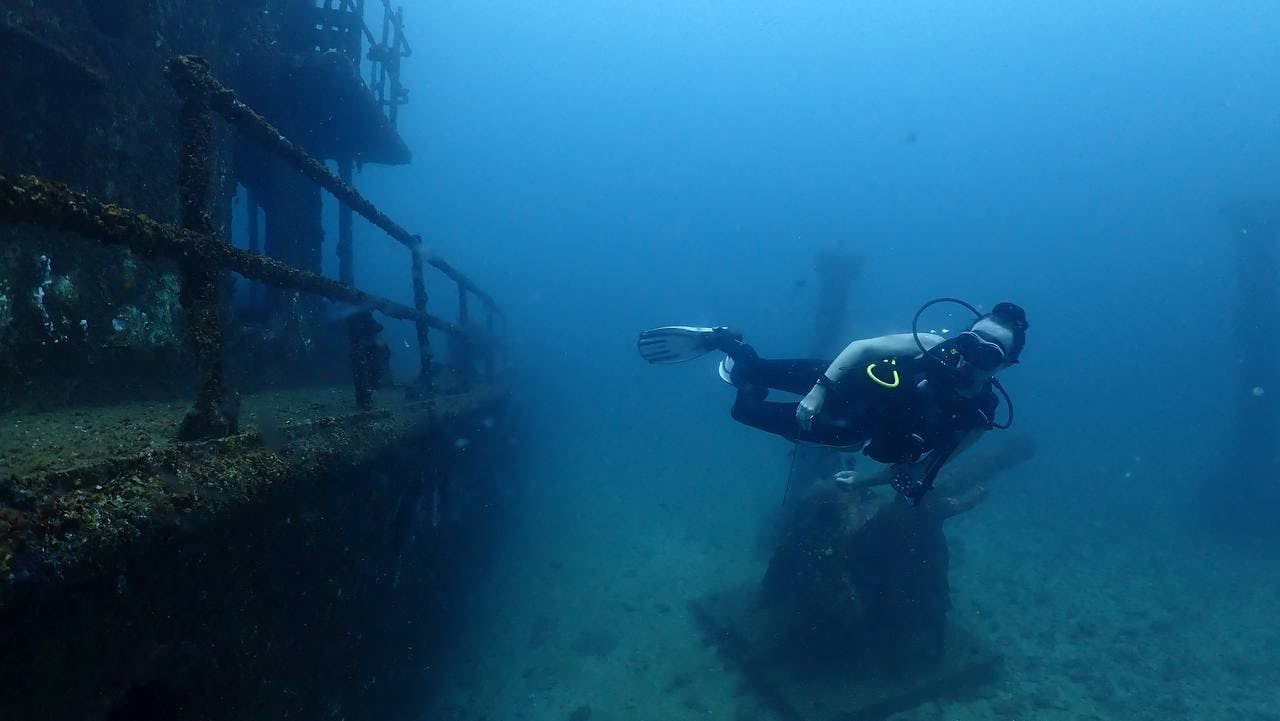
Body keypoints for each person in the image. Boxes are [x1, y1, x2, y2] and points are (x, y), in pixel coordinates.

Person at [637, 299, 1028, 502]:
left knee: (743, 410)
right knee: (751, 369)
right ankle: (723, 340)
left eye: (990, 354)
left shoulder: (978, 417)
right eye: (968, 343)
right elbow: (861, 347)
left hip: (842, 429)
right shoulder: (932, 345)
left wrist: (863, 482)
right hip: (833, 377)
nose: (971, 357)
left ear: (1007, 365)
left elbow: (925, 467)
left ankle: (746, 381)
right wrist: (819, 390)